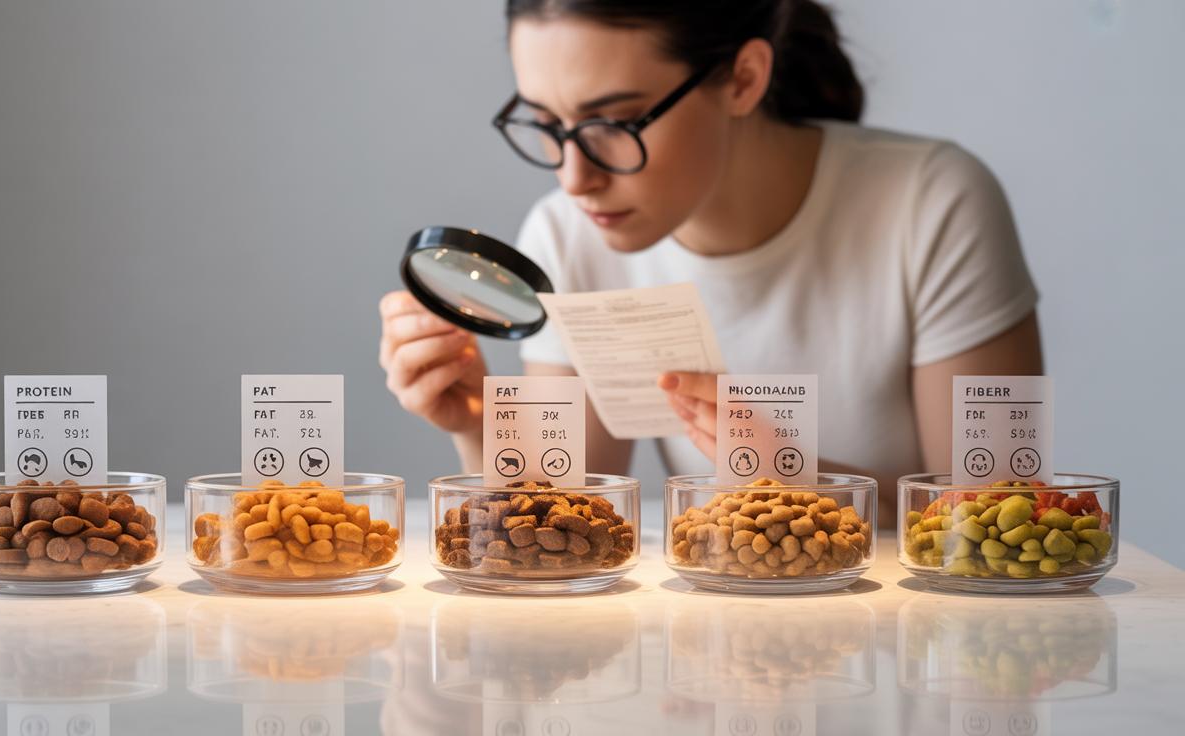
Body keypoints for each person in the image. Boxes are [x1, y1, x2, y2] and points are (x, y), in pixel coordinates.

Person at [378, 0, 1042, 520]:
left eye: (618, 122)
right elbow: (553, 517)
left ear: (745, 79)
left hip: (912, 667)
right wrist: (478, 428)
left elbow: (1000, 521)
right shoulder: (565, 234)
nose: (575, 177)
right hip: (708, 666)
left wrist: (801, 479)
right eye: (546, 125)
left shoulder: (933, 204)